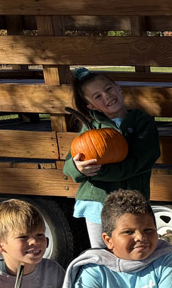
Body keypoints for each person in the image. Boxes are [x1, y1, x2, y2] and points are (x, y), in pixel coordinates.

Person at [63, 68, 161, 248]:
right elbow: (69, 163)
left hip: (131, 204)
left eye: (108, 89)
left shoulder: (141, 122)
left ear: (118, 88)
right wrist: (78, 168)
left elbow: (138, 162)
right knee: (101, 254)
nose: (106, 96)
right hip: (97, 204)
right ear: (90, 105)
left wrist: (96, 173)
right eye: (97, 96)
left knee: (134, 251)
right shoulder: (91, 127)